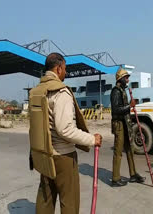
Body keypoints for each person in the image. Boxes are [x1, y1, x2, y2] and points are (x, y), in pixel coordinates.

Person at [29, 53, 102, 214]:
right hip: (63, 156)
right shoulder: (61, 92)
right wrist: (91, 139)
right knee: (69, 201)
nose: (66, 73)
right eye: (65, 69)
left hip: (43, 154)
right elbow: (65, 129)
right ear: (58, 68)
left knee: (45, 199)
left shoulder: (36, 91)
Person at [110, 68, 146, 187]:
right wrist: (129, 106)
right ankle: (115, 178)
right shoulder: (116, 91)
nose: (128, 80)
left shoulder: (122, 90)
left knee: (130, 149)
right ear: (121, 79)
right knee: (118, 151)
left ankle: (133, 174)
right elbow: (116, 109)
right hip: (119, 124)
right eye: (126, 78)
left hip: (126, 124)